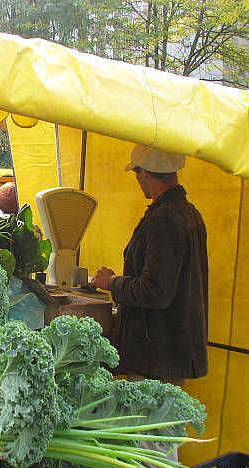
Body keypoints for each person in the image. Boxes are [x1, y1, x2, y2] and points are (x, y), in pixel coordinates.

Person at [90, 145, 208, 386]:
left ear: (145, 173)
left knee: (150, 422)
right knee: (167, 422)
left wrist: (112, 283)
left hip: (156, 356)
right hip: (172, 351)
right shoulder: (189, 214)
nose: (137, 180)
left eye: (136, 173)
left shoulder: (164, 219)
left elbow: (156, 291)